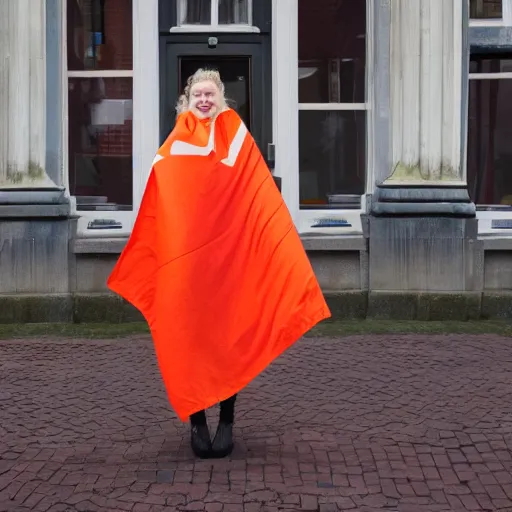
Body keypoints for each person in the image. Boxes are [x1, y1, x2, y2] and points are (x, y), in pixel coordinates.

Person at [107, 69, 331, 459]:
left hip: (228, 263)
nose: (204, 100)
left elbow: (255, 190)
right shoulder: (175, 142)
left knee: (226, 337)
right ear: (187, 99)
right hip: (187, 266)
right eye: (198, 94)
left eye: (211, 94)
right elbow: (164, 200)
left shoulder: (237, 137)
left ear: (222, 98)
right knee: (189, 337)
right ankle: (198, 423)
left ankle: (226, 421)